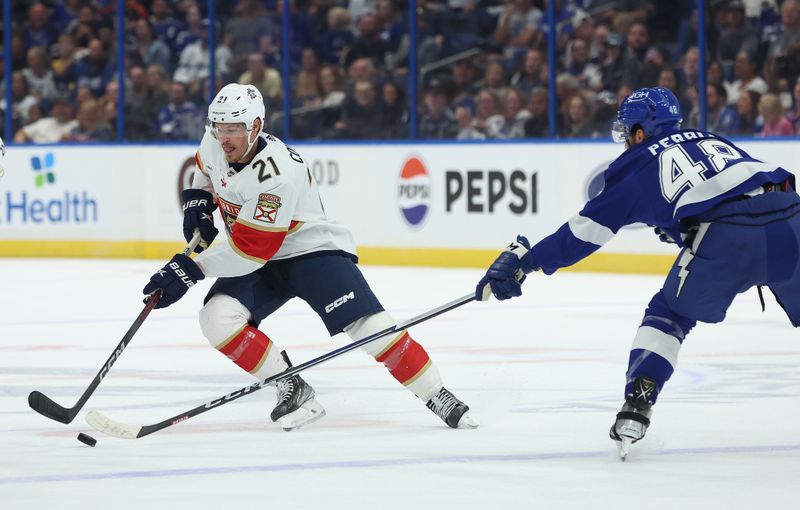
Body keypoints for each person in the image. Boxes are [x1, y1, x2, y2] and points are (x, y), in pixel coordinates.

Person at [476, 87, 799, 460]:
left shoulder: (636, 164)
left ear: (641, 133)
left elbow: (582, 234)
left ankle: (637, 405)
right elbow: (757, 189)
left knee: (670, 313)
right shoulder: (712, 137)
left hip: (729, 237)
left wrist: (527, 262)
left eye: (628, 131)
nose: (626, 140)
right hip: (792, 215)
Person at [142, 83, 478, 432]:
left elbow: (248, 252)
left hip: (309, 250)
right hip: (260, 254)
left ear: (255, 126)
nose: (224, 138)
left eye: (234, 129)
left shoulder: (276, 174)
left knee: (370, 329)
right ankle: (290, 384)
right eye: (219, 127)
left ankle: (436, 393)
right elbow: (207, 168)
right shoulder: (214, 140)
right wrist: (198, 196)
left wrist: (189, 269)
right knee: (216, 318)